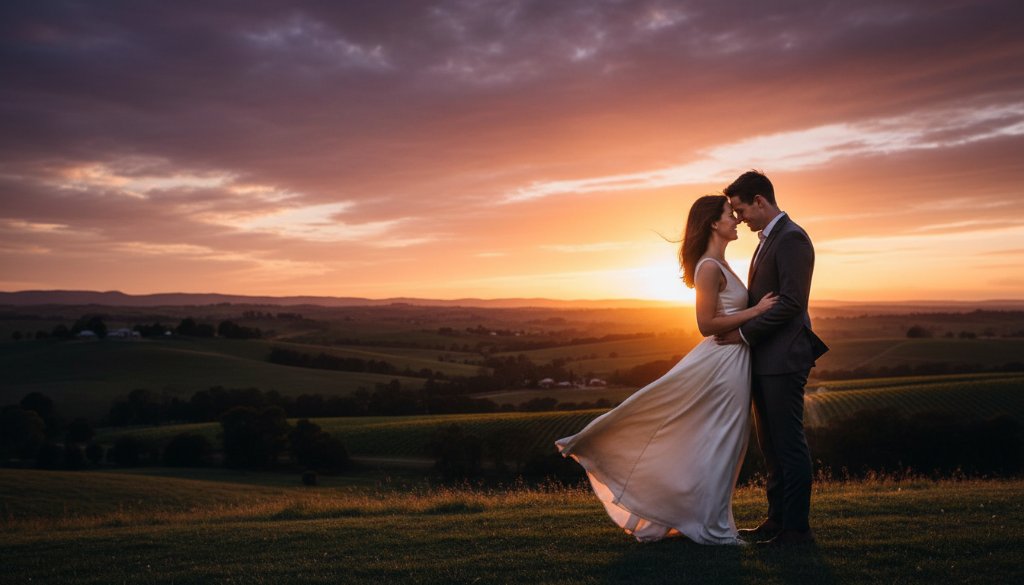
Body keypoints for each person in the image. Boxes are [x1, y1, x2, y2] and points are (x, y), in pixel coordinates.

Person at [555, 194, 777, 544]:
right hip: (722, 366)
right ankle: (713, 528)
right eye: (729, 214)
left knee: (725, 441)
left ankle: (705, 518)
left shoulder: (721, 263)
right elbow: (706, 324)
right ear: (713, 223)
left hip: (733, 361)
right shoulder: (708, 267)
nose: (736, 220)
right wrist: (757, 311)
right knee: (724, 441)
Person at [716, 170, 829, 547]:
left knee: (788, 444)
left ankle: (796, 529)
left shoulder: (792, 238)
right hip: (766, 360)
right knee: (771, 446)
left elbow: (792, 303)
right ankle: (776, 520)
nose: (739, 218)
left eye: (741, 209)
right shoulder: (769, 239)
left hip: (785, 358)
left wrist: (743, 334)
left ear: (760, 201)